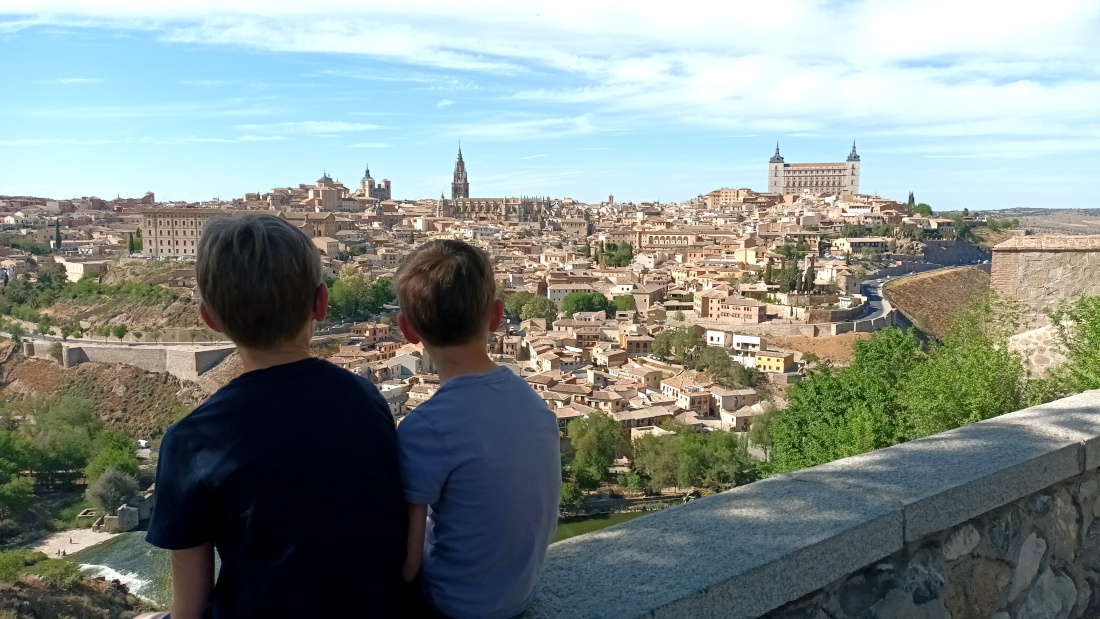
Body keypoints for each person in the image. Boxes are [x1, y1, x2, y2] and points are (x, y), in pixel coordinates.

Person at [143, 215, 406, 619]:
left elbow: (189, 608)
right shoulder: (365, 397)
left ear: (210, 319)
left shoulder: (192, 440)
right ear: (321, 303)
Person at [393, 240, 561, 619]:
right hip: (521, 592)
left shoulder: (425, 427)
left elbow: (408, 565)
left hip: (455, 604)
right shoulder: (533, 401)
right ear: (497, 315)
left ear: (407, 330)